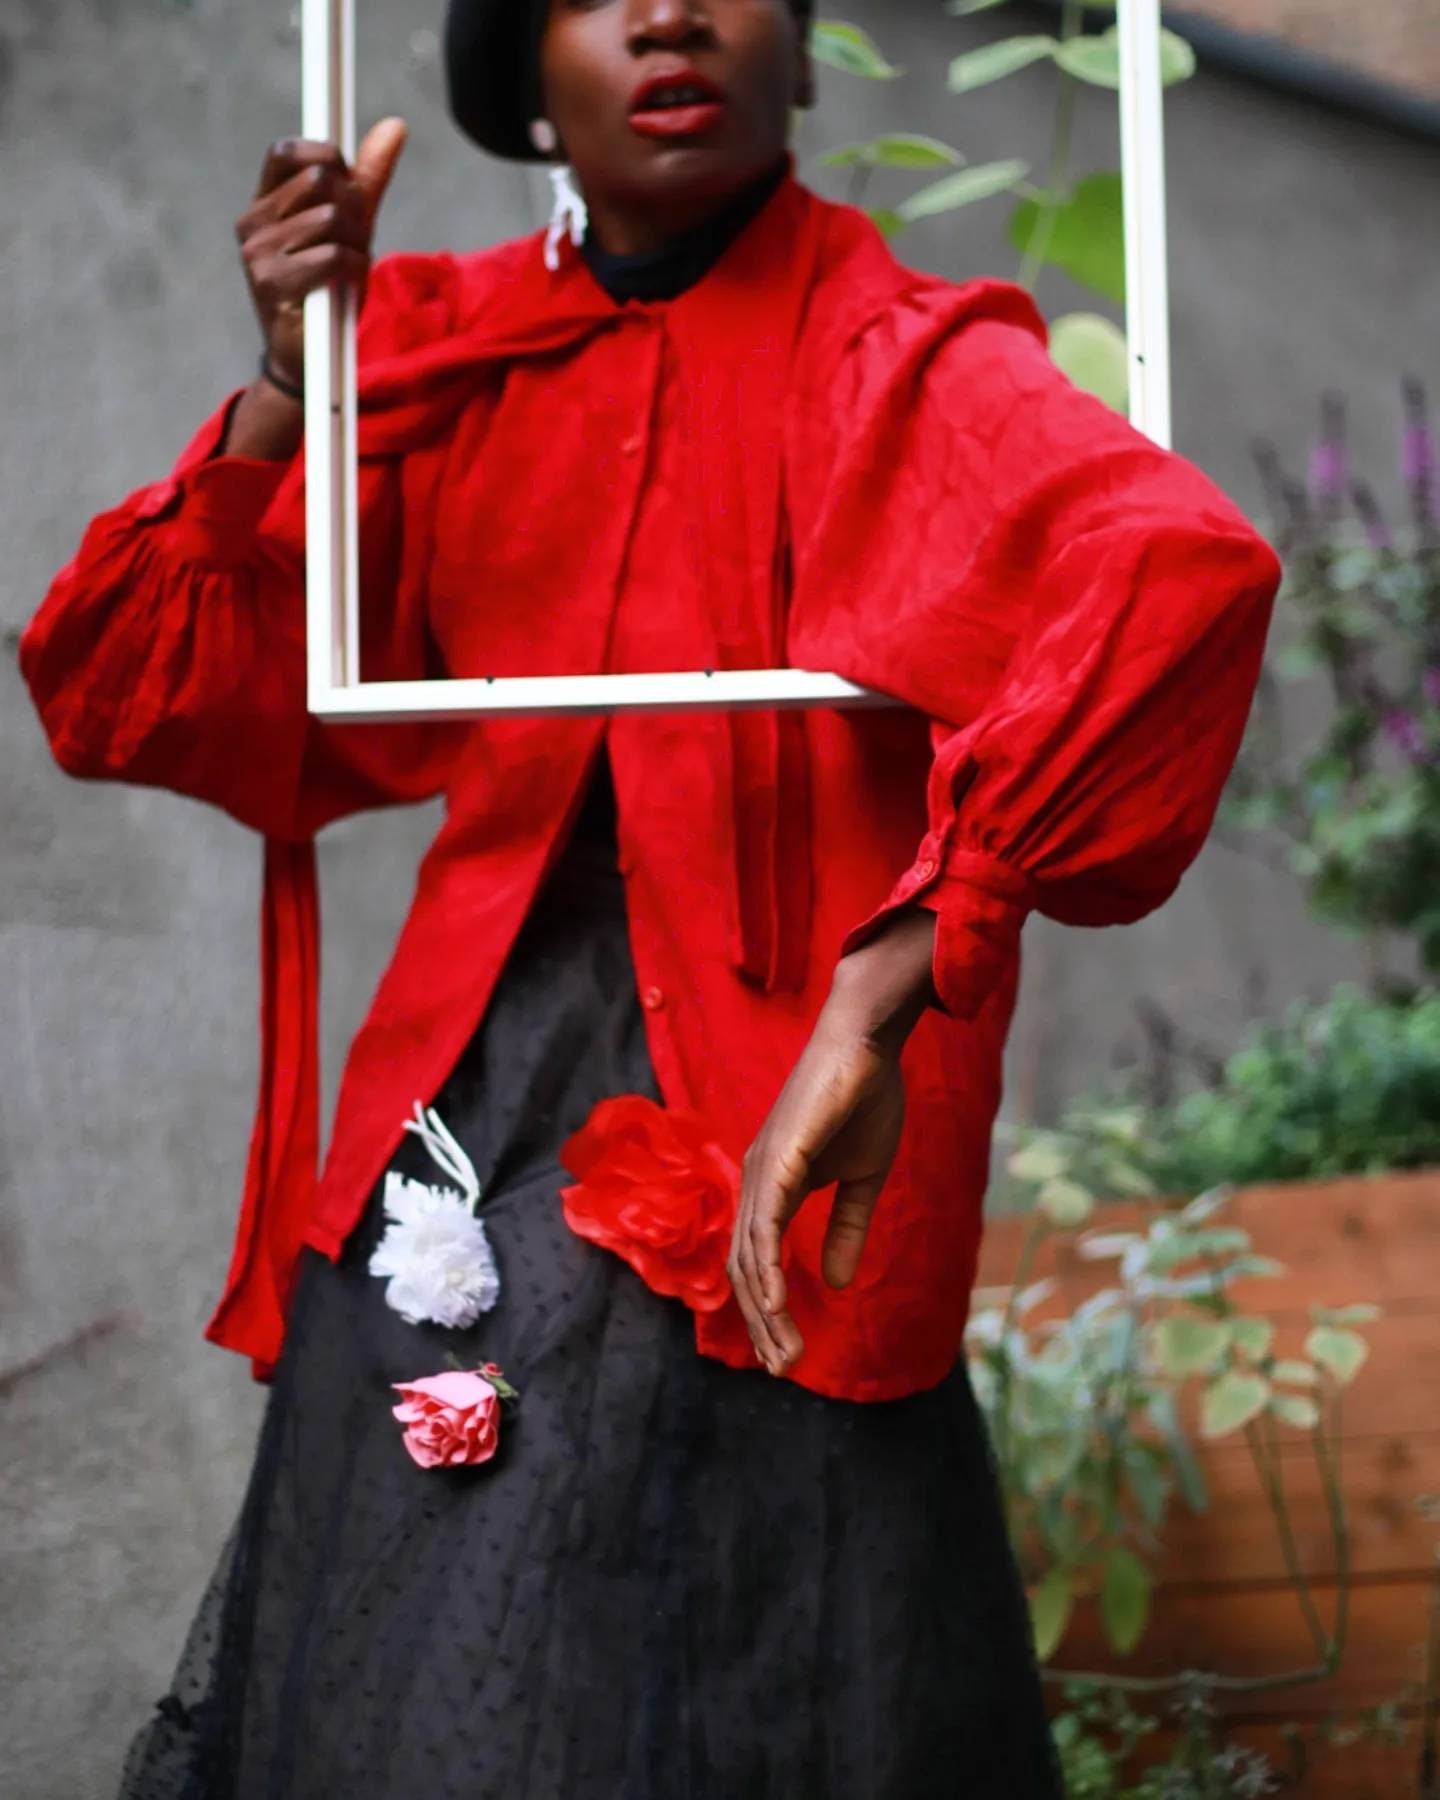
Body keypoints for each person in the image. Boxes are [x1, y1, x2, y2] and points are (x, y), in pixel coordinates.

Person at [19, 0, 1282, 1794]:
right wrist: (293, 379)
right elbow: (134, 689)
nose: (672, 11)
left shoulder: (896, 362)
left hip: (787, 1134)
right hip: (461, 1130)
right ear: (518, 73)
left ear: (807, 52)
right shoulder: (440, 353)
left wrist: (897, 971)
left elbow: (1173, 574)